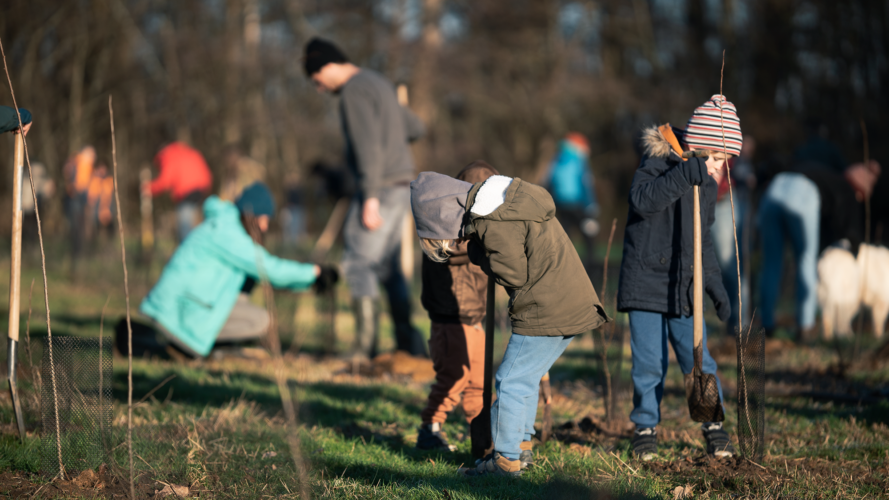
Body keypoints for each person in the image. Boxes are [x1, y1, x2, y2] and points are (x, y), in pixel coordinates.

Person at [411, 170, 608, 477]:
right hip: (569, 299)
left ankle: (504, 462)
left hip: (547, 304)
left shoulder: (491, 218)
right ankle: (520, 448)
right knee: (525, 378)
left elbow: (513, 274)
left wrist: (478, 253)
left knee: (510, 380)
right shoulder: (507, 203)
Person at [617, 95, 738, 461]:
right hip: (645, 285)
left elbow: (703, 241)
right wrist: (685, 175)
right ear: (698, 147)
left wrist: (714, 283)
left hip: (684, 288)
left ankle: (712, 424)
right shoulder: (657, 161)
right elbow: (642, 201)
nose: (718, 168)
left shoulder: (707, 184)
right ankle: (645, 428)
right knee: (649, 364)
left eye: (724, 161)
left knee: (698, 358)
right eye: (715, 158)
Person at [304, 37, 427, 358]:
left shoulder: (354, 91)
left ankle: (364, 348)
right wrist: (392, 122)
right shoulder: (380, 83)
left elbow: (366, 146)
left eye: (317, 79)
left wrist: (370, 196)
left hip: (380, 186)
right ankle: (408, 344)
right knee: (388, 267)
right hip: (402, 184)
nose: (319, 88)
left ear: (327, 65)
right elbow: (415, 127)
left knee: (358, 262)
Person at [139, 182, 338, 358]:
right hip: (177, 312)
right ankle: (185, 345)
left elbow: (267, 277)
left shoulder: (224, 224)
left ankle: (198, 345)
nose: (265, 227)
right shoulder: (227, 233)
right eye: (263, 219)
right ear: (250, 214)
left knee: (246, 289)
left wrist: (307, 283)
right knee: (261, 320)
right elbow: (268, 269)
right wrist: (314, 273)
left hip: (180, 306)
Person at [759, 126, 881, 340]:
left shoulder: (827, 175)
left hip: (774, 190)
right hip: (802, 194)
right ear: (860, 192)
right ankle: (805, 326)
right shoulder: (848, 192)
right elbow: (851, 234)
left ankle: (766, 324)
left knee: (771, 262)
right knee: (807, 258)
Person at [416, 161, 498, 453]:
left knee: (479, 381)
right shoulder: (445, 221)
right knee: (454, 378)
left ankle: (484, 434)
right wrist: (486, 239)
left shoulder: (475, 224)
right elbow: (450, 250)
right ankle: (430, 428)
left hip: (473, 316)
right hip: (451, 317)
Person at [710, 136, 756, 334]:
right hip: (701, 201)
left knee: (731, 264)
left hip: (722, 201)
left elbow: (744, 176)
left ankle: (740, 325)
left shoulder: (730, 151)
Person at [543, 132, 600, 267]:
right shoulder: (579, 161)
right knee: (588, 234)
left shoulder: (556, 160)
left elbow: (548, 183)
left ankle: (563, 264)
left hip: (560, 204)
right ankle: (591, 266)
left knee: (565, 234)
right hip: (578, 204)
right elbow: (586, 185)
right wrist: (591, 205)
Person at [144, 142, 213, 242]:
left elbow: (165, 181)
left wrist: (149, 188)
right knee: (198, 224)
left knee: (184, 227)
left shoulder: (168, 155)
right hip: (203, 189)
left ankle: (186, 248)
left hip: (187, 192)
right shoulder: (186, 151)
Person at [63, 145, 96, 269]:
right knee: (77, 229)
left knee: (80, 229)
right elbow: (73, 181)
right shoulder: (78, 162)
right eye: (92, 155)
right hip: (77, 198)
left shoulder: (85, 166)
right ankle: (76, 256)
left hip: (82, 199)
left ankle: (79, 256)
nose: (93, 158)